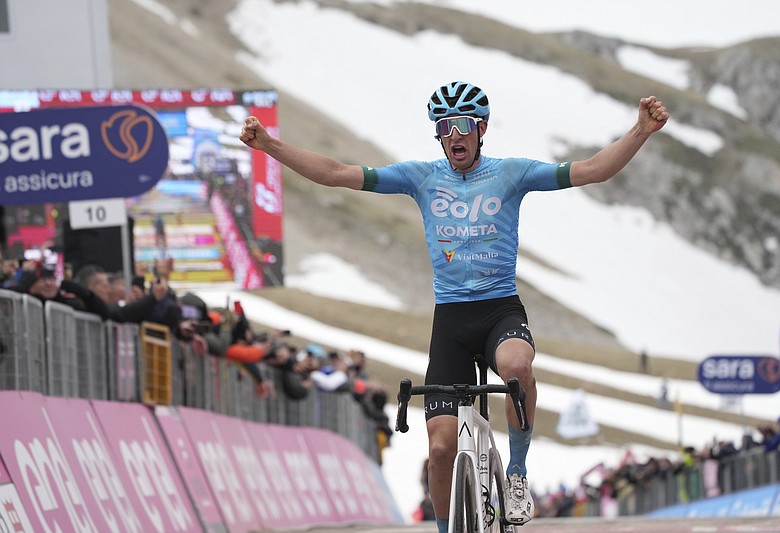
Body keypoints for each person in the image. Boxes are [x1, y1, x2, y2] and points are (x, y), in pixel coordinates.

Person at [240, 81, 669, 530]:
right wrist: (269, 145)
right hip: (451, 323)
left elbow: (593, 170)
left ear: (480, 128)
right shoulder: (421, 177)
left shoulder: (512, 173)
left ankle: (517, 473)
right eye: (444, 127)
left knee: (517, 368)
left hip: (500, 310)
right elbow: (336, 172)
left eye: (462, 125)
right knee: (441, 449)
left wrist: (640, 131)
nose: (453, 135)